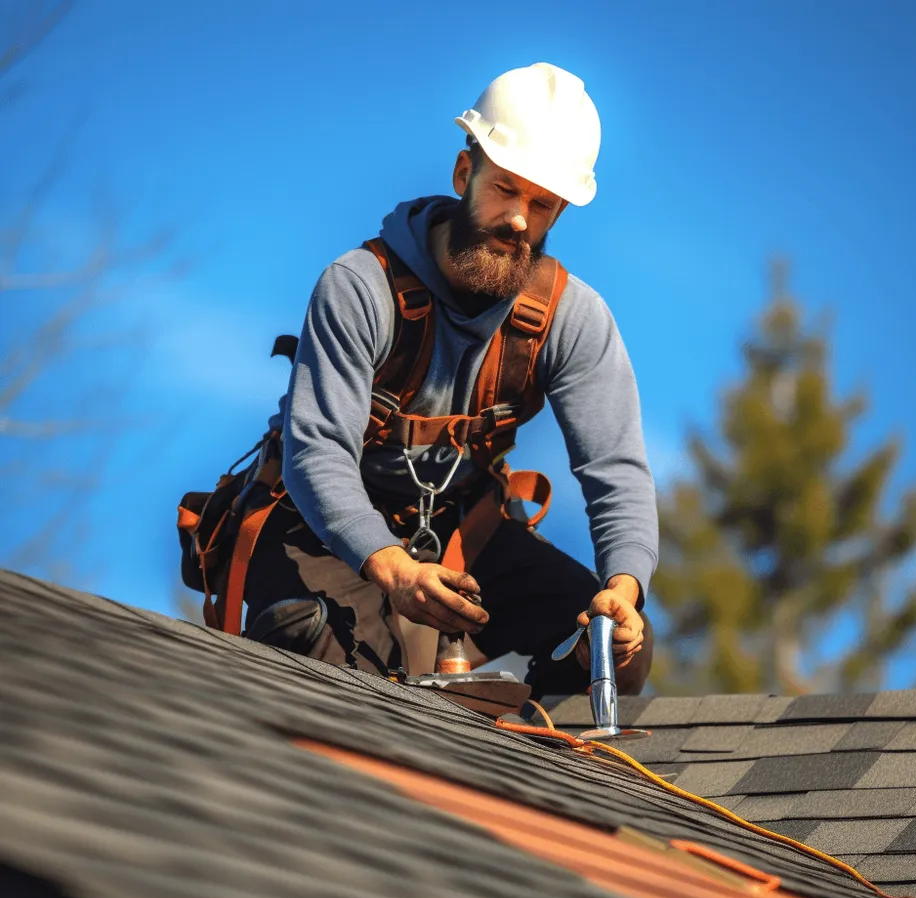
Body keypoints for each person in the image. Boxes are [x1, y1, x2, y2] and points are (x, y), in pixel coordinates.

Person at [243, 62, 658, 699]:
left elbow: (617, 472)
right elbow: (316, 453)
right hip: (327, 537)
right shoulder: (360, 287)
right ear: (465, 173)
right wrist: (395, 570)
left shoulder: (571, 319)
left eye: (541, 204)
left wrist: (624, 591)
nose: (519, 217)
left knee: (607, 650)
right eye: (505, 189)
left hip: (466, 533)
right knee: (330, 666)